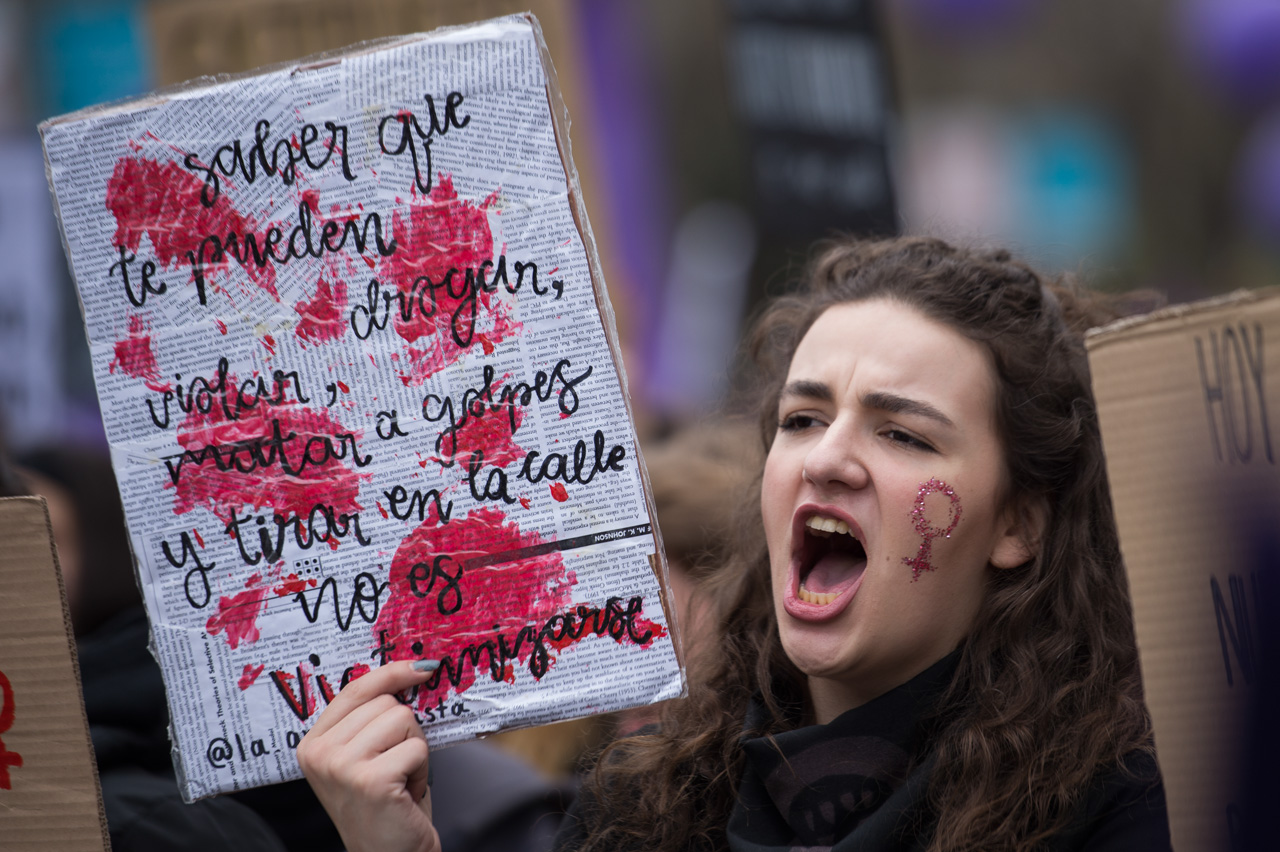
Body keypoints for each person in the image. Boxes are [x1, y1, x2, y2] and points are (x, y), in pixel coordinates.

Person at [297, 236, 1172, 852]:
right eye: (802, 419)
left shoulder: (1126, 811)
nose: (825, 459)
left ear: (1018, 524)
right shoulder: (643, 810)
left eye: (903, 435)